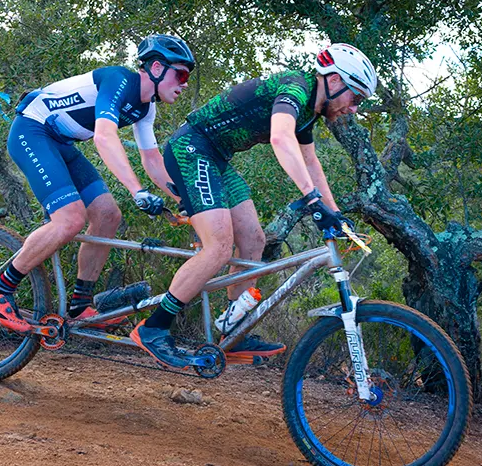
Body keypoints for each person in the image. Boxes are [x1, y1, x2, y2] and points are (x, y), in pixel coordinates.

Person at [129, 43, 378, 368]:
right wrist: (312, 200)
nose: (354, 108)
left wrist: (336, 215)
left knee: (254, 240)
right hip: (192, 148)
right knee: (218, 247)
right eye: (355, 97)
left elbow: (310, 161)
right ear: (333, 81)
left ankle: (233, 329)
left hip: (216, 158)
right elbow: (280, 138)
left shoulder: (308, 111)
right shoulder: (296, 88)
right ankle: (154, 327)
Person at [0, 34, 195, 333]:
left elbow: (153, 161)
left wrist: (185, 201)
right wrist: (137, 191)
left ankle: (80, 306)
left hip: (60, 143)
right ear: (156, 68)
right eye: (181, 74)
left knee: (108, 215)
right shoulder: (119, 80)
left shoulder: (146, 108)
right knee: (70, 220)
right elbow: (104, 137)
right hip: (32, 131)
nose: (184, 83)